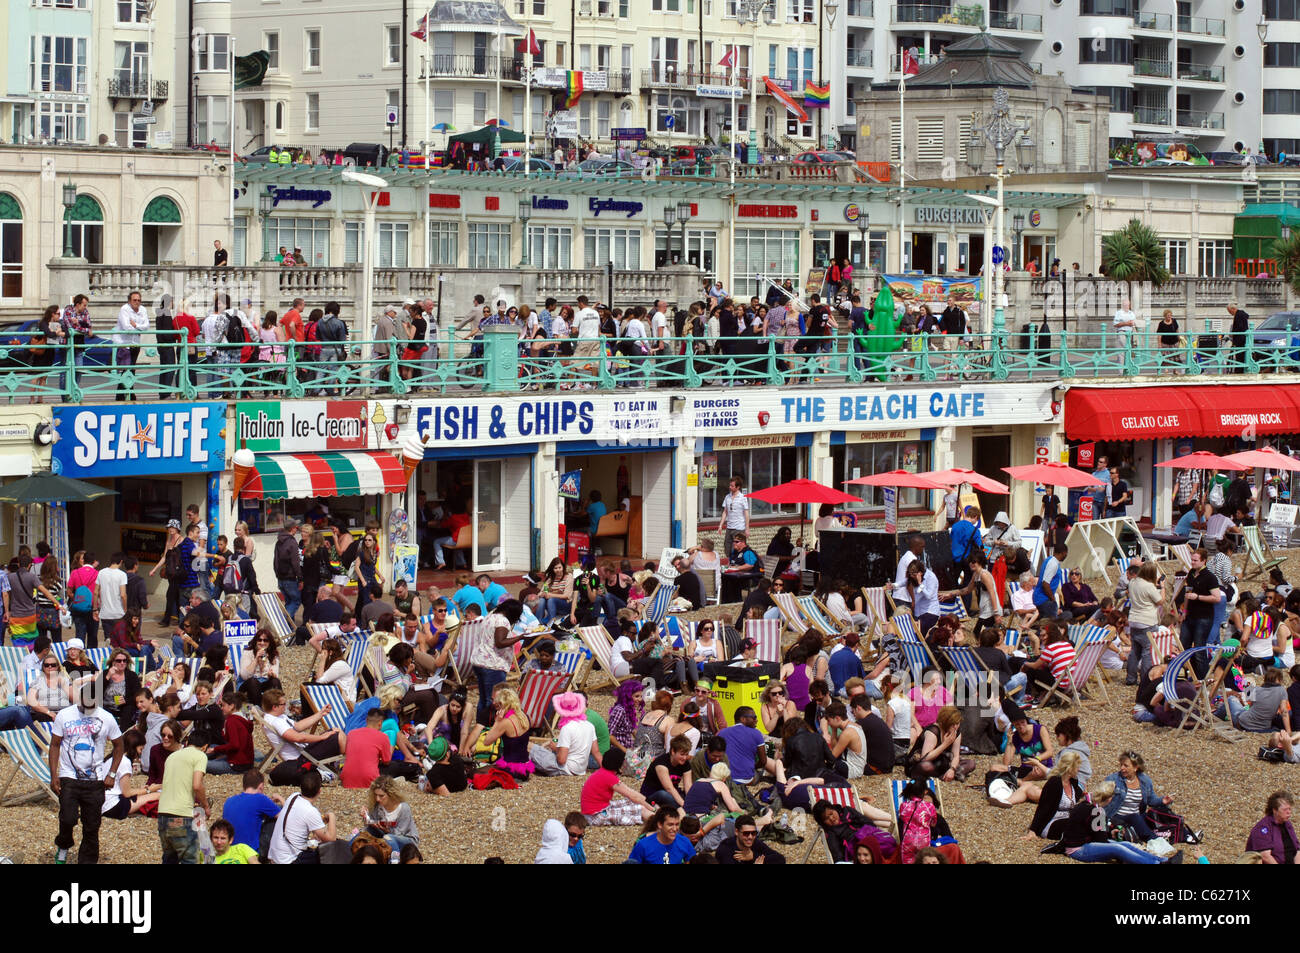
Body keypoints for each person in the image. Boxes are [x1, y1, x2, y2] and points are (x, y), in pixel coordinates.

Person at [49, 682, 124, 864]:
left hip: (95, 779)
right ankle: (64, 844)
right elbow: (55, 744)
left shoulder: (106, 718)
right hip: (69, 776)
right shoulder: (65, 715)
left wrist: (112, 774)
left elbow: (119, 745)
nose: (89, 708)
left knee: (92, 826)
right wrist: (53, 775)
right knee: (68, 818)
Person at [1061, 781, 1182, 864]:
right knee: (1118, 848)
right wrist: (1109, 833)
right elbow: (1101, 839)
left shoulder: (1085, 804)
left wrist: (1109, 832)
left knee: (1126, 844)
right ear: (1109, 799)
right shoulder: (1097, 811)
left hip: (1081, 842)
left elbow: (1092, 830)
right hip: (1078, 849)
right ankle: (1155, 863)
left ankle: (1162, 860)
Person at [259, 688, 347, 786]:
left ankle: (341, 764)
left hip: (305, 751)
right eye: (283, 704)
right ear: (274, 707)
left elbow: (298, 726)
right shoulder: (276, 722)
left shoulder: (278, 717)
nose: (286, 706)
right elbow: (298, 738)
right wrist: (322, 737)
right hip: (301, 757)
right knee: (338, 736)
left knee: (335, 731)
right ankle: (347, 766)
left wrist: (320, 714)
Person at [157, 720, 209, 864]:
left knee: (169, 859)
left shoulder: (171, 757)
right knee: (189, 859)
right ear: (204, 747)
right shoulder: (200, 756)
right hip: (181, 816)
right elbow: (197, 785)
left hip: (162, 815)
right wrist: (205, 806)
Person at [469, 599, 526, 726]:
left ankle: (480, 725)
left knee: (483, 699)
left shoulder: (490, 616)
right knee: (494, 700)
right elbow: (500, 642)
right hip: (493, 664)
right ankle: (490, 728)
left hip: (479, 661)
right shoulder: (502, 621)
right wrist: (521, 637)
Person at [268, 770, 338, 864]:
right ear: (319, 791)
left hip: (275, 856)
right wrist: (332, 816)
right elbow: (331, 839)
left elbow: (292, 813)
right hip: (289, 860)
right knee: (329, 851)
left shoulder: (293, 797)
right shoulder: (311, 811)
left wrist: (281, 799)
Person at [529, 692, 599, 777]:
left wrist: (556, 749)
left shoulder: (567, 728)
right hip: (580, 769)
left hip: (566, 769)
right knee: (539, 749)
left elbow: (561, 760)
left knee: (530, 747)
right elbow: (596, 752)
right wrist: (608, 771)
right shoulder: (589, 725)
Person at [1023, 750, 1087, 837]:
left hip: (1067, 818)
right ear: (1070, 768)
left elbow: (1078, 794)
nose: (1078, 770)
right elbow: (1043, 807)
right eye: (1077, 767)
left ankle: (1105, 837)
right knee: (1076, 824)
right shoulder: (1055, 783)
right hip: (1051, 822)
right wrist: (1032, 830)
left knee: (1092, 817)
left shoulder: (1073, 782)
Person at [362, 776, 419, 854]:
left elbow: (400, 833)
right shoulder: (377, 805)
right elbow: (371, 822)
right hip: (384, 834)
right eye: (375, 795)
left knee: (388, 838)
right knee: (364, 834)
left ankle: (394, 860)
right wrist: (366, 817)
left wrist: (387, 830)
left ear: (391, 794)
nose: (377, 799)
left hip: (406, 839)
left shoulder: (403, 808)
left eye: (381, 796)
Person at [1245, 791, 1299, 864]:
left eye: (1289, 809)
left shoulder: (1287, 825)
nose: (1289, 812)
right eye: (1285, 810)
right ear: (1274, 810)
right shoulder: (1263, 827)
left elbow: (1297, 850)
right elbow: (1265, 856)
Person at [627, 808, 696, 864]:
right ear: (660, 825)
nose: (675, 829)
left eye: (677, 824)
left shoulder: (684, 842)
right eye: (670, 825)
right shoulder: (643, 845)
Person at [716, 814, 787, 864]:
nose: (750, 837)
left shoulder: (754, 842)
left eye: (753, 833)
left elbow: (780, 859)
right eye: (746, 833)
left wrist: (753, 856)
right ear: (737, 832)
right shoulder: (726, 849)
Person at [274, 519, 303, 623]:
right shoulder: (292, 542)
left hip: (281, 577)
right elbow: (295, 562)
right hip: (289, 577)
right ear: (292, 529)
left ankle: (290, 627)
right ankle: (283, 621)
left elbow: (275, 560)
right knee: (296, 600)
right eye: (296, 527)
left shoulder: (279, 541)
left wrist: (277, 574)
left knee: (288, 601)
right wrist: (300, 578)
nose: (297, 529)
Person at [718, 476, 750, 556]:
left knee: (736, 548)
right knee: (727, 547)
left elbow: (746, 513)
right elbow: (725, 512)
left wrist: (747, 528)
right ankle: (730, 562)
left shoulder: (743, 498)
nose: (730, 487)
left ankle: (736, 564)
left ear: (738, 487)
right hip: (729, 527)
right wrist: (721, 525)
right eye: (730, 485)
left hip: (739, 527)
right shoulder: (727, 497)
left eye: (732, 486)